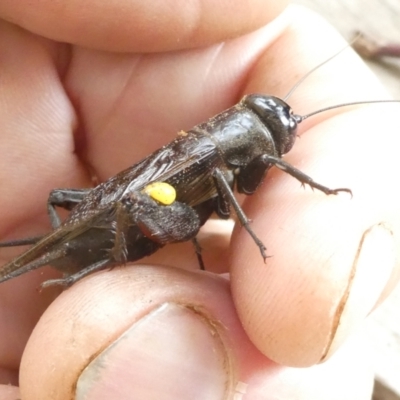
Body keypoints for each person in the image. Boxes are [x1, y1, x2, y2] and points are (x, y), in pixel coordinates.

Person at [0, 1, 399, 399]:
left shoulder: (212, 148)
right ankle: (87, 261)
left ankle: (64, 256)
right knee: (125, 202)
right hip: (127, 222)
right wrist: (254, 225)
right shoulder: (226, 157)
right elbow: (231, 184)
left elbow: (224, 190)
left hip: (154, 214)